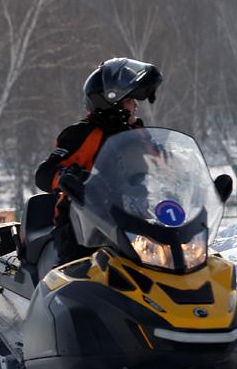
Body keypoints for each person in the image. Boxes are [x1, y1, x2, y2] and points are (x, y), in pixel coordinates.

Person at [34, 57, 163, 266]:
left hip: (135, 222)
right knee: (83, 279)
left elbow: (165, 169)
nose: (135, 106)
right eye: (130, 100)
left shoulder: (138, 136)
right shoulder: (83, 134)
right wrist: (68, 177)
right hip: (84, 228)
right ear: (113, 102)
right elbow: (44, 173)